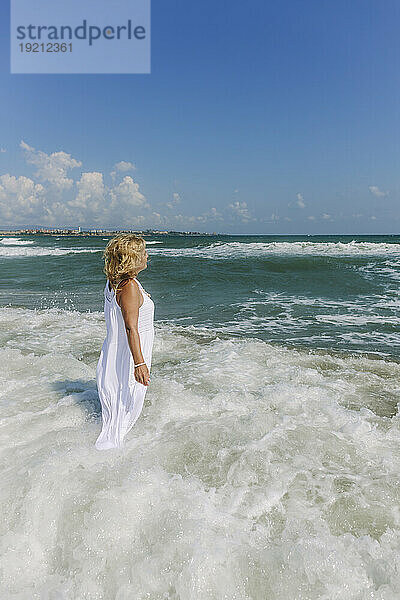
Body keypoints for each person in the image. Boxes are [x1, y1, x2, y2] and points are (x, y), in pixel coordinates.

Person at [95, 234, 155, 450]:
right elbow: (131, 327)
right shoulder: (128, 286)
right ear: (132, 258)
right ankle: (115, 456)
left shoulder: (117, 282)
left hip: (117, 355)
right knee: (124, 416)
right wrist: (139, 364)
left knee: (120, 413)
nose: (147, 255)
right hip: (128, 358)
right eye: (143, 252)